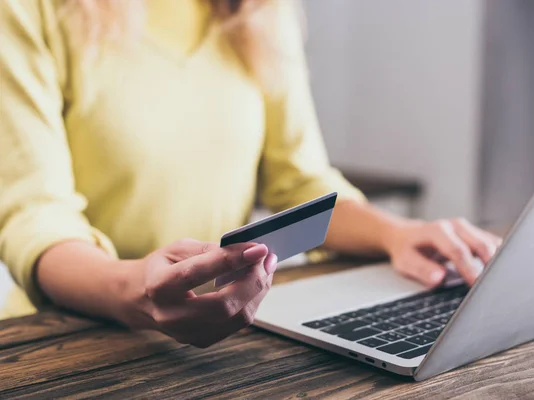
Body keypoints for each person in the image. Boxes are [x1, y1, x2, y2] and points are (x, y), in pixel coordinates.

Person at [0, 0, 500, 347]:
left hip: (231, 336)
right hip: (64, 336)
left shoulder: (262, 12)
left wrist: (398, 234)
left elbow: (300, 183)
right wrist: (134, 289)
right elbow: (35, 216)